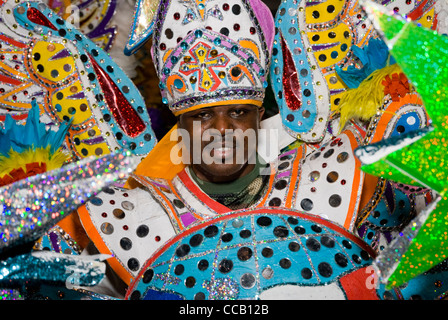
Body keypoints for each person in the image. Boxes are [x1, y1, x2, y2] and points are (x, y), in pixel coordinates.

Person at [35, 0, 446, 300]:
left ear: (260, 114)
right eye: (200, 116)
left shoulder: (334, 177)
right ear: (178, 126)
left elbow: (422, 269)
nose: (220, 131)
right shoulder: (130, 219)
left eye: (237, 112)